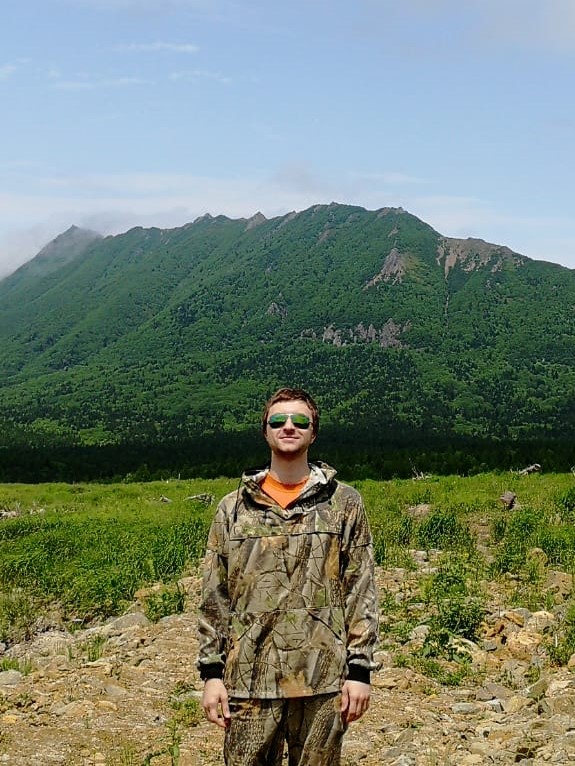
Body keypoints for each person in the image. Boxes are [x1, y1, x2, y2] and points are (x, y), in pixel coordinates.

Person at [197, 387, 379, 766]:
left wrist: (360, 669)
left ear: (314, 433)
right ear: (265, 431)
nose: (289, 427)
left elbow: (360, 588)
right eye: (278, 420)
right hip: (249, 678)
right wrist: (212, 673)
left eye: (301, 421)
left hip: (323, 679)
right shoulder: (233, 508)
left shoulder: (344, 503)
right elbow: (214, 595)